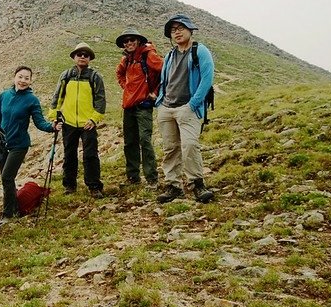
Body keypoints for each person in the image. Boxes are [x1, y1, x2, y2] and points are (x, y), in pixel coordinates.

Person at [155, 14, 215, 203]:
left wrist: (192, 105)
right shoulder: (170, 55)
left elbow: (207, 80)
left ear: (190, 30)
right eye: (173, 30)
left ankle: (197, 184)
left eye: (181, 28)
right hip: (167, 108)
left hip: (188, 108)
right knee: (170, 148)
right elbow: (165, 80)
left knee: (189, 145)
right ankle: (173, 186)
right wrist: (160, 101)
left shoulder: (200, 51)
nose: (177, 32)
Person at [0, 66, 59, 227]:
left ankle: (9, 214)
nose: (23, 81)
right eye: (20, 77)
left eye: (26, 78)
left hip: (19, 145)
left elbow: (39, 122)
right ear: (14, 77)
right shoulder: (4, 96)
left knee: (7, 176)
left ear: (31, 81)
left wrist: (52, 127)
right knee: (5, 177)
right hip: (3, 145)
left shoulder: (32, 100)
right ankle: (14, 206)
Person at [48, 42, 106, 198]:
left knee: (90, 155)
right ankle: (69, 185)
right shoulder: (66, 76)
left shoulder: (95, 77)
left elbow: (100, 101)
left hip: (88, 123)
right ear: (74, 57)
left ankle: (94, 186)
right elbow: (57, 98)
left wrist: (94, 120)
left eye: (85, 55)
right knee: (69, 154)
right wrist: (54, 116)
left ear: (89, 59)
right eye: (79, 54)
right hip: (68, 122)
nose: (82, 57)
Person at [115, 28, 164, 187]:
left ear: (139, 40)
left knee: (145, 140)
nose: (128, 43)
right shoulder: (126, 60)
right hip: (128, 106)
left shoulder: (148, 55)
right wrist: (127, 87)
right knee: (130, 142)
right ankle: (133, 177)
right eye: (126, 41)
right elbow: (119, 74)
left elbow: (166, 72)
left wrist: (156, 92)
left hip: (143, 106)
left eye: (132, 39)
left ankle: (151, 178)